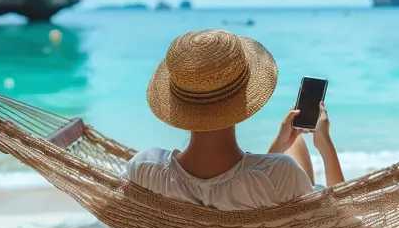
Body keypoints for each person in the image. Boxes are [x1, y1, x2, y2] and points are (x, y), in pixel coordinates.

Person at [120, 29, 345, 211]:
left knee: (292, 144)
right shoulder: (282, 174)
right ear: (245, 97)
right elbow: (344, 225)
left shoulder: (145, 169)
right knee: (297, 144)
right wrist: (325, 145)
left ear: (177, 104)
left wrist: (278, 146)